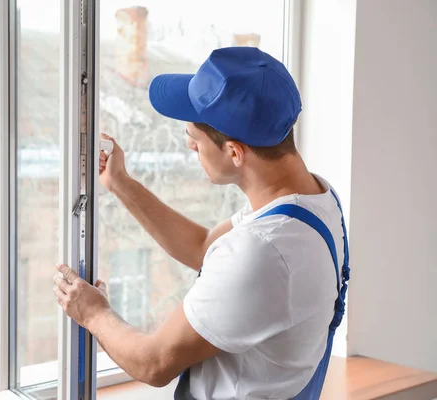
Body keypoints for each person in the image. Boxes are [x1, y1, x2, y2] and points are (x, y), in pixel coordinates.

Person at [52, 46, 349, 399]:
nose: (191, 146)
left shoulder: (263, 250)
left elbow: (154, 363)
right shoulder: (315, 200)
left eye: (193, 137)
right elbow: (204, 248)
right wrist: (121, 183)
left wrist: (93, 313)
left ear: (235, 152)